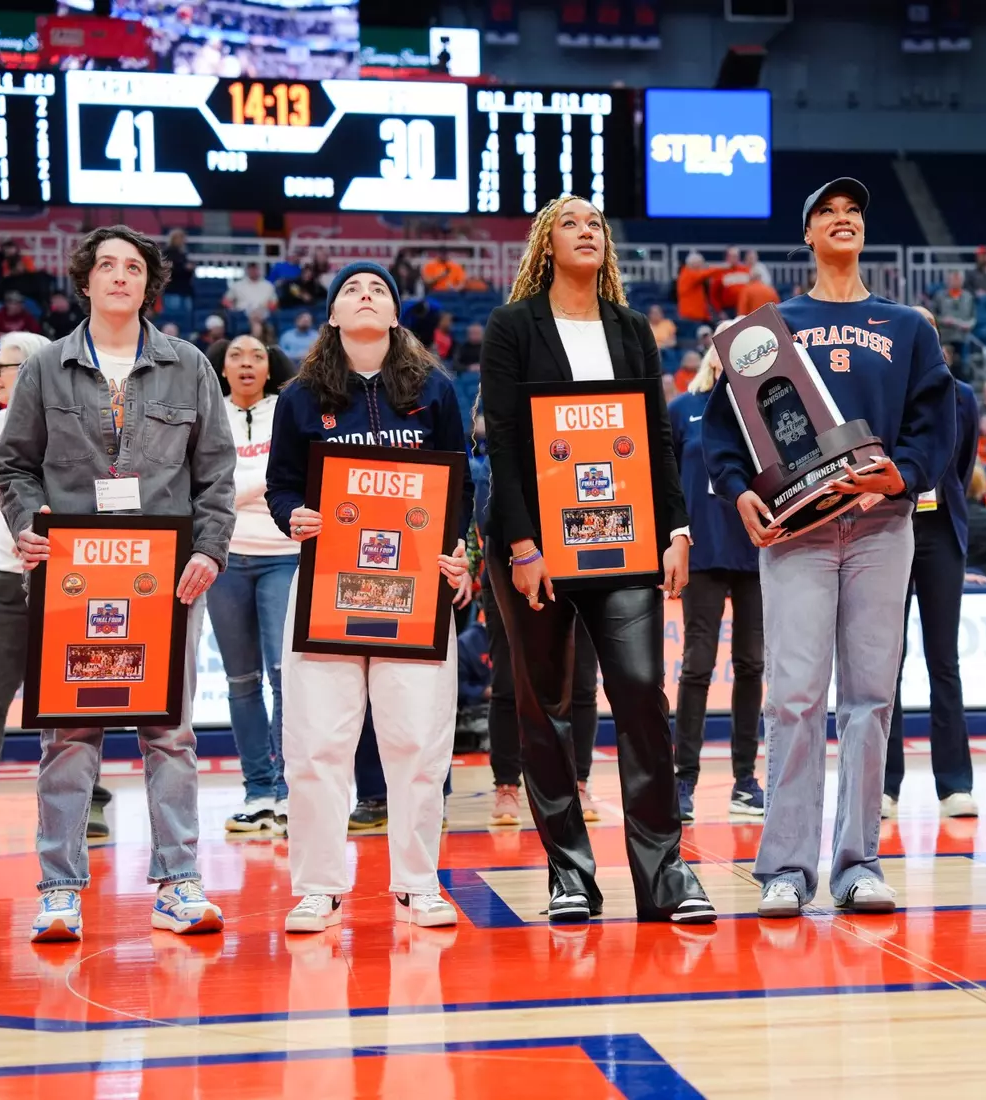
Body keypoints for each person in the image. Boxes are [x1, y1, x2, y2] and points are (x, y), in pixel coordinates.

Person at [703, 177, 955, 918]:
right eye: (827, 214)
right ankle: (784, 867)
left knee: (872, 698)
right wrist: (736, 488)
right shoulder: (769, 326)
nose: (843, 220)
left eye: (853, 212)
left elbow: (935, 424)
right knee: (795, 698)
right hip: (799, 533)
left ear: (862, 233)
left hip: (882, 525)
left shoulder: (907, 326)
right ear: (807, 236)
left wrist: (904, 474)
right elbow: (723, 430)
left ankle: (858, 863)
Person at [0, 225, 237, 942]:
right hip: (73, 577)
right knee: (69, 735)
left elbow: (218, 475)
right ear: (86, 280)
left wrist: (213, 551)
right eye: (107, 265)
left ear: (147, 284)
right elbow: (13, 466)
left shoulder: (188, 364)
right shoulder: (45, 368)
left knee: (170, 733)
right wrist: (26, 523)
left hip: (165, 578)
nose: (120, 277)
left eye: (133, 267)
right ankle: (61, 890)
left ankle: (177, 883)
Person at [479, 194, 715, 924]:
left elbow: (656, 440)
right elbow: (507, 444)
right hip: (536, 547)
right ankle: (571, 874)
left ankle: (664, 874)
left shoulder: (632, 328)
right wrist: (523, 544)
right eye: (572, 223)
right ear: (547, 244)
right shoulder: (512, 326)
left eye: (597, 225)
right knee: (544, 707)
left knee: (642, 690)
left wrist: (676, 530)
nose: (587, 232)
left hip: (624, 537)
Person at [265, 261, 474, 933]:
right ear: (331, 316)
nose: (364, 295)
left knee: (418, 740)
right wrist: (292, 515)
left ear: (393, 315)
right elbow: (281, 485)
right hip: (327, 584)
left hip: (414, 591)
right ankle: (319, 887)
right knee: (318, 742)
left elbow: (459, 486)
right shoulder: (300, 396)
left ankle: (418, 882)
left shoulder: (434, 391)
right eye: (350, 289)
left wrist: (459, 550)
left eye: (377, 289)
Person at [882, 306, 977, 818]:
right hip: (890, 527)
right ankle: (885, 785)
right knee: (885, 664)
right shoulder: (886, 392)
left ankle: (955, 784)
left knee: (944, 661)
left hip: (941, 533)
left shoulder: (961, 396)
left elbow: (961, 464)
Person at [668, 341, 765, 822]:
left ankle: (745, 782)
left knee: (752, 665)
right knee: (697, 666)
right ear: (709, 355)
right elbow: (664, 480)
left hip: (756, 547)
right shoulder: (683, 409)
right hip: (703, 551)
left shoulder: (763, 407)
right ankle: (683, 779)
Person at [0, 332, 56, 842]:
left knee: (75, 697)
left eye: (5, 366)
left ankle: (89, 799)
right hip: (4, 573)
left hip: (68, 575)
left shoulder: (75, 420)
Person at [207, 335, 299, 834]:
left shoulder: (286, 409)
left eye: (258, 356)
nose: (247, 363)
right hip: (223, 558)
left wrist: (235, 491)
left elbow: (290, 473)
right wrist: (258, 485)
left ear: (269, 368)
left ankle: (288, 792)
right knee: (241, 682)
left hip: (284, 556)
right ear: (222, 369)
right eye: (237, 356)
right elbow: (203, 481)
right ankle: (257, 791)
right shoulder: (207, 411)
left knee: (285, 677)